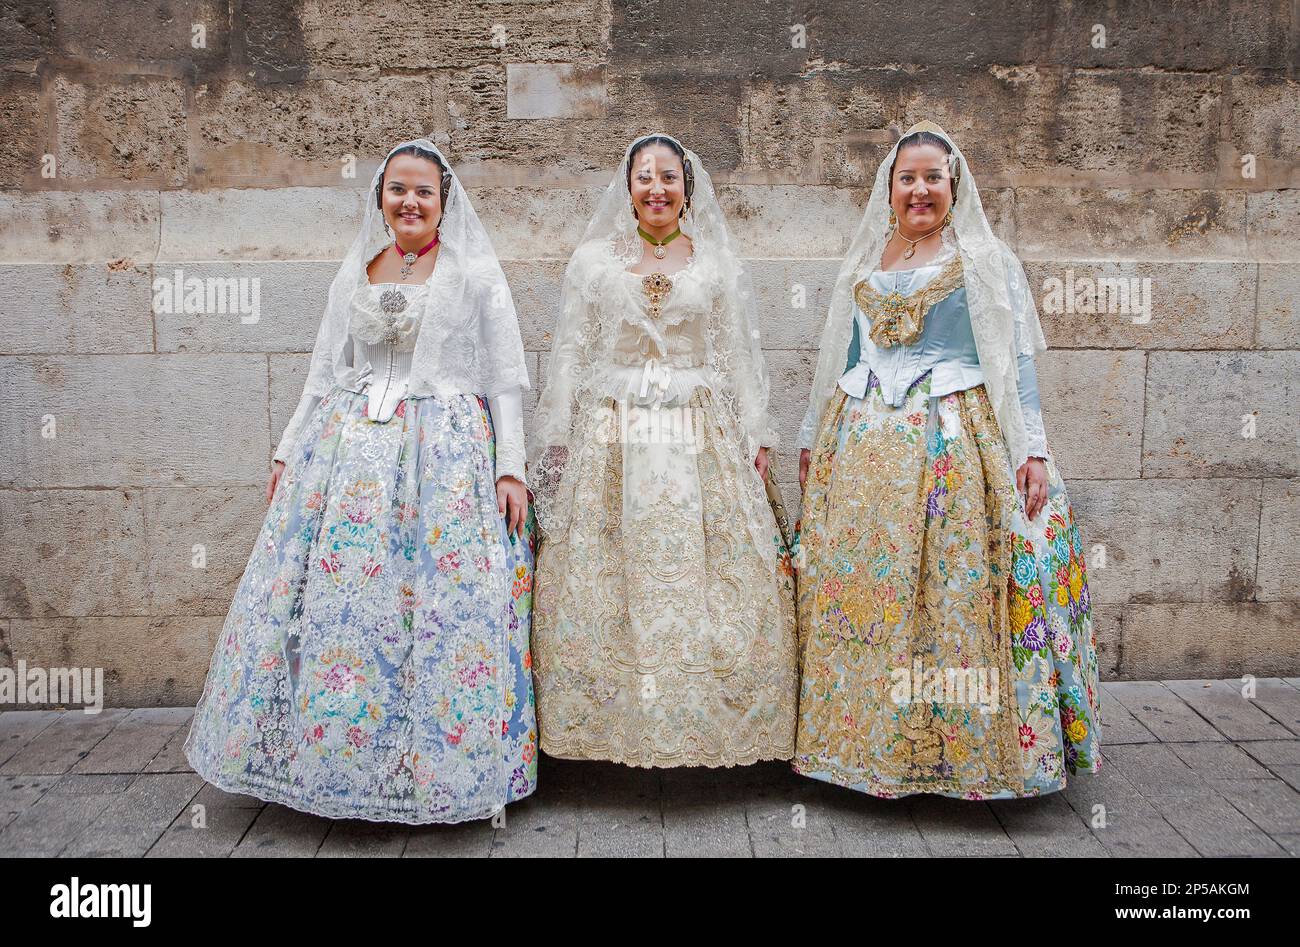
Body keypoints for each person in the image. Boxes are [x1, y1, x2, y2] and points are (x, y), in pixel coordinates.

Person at [184, 138, 538, 823]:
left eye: (424, 191)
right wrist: (288, 452)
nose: (410, 201)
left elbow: (504, 377)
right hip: (349, 462)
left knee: (432, 607)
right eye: (398, 189)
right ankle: (343, 757)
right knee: (348, 608)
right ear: (380, 196)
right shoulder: (356, 270)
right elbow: (322, 372)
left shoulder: (474, 275)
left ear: (444, 201)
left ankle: (437, 766)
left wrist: (511, 466)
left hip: (443, 454)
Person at [792, 121, 1101, 799]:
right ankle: (862, 746)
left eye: (934, 177)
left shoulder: (987, 262)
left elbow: (1015, 366)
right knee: (872, 596)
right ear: (891, 187)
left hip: (957, 448)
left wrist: (1035, 451)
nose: (920, 189)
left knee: (955, 593)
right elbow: (840, 358)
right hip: (865, 451)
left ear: (953, 185)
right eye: (908, 178)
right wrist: (813, 435)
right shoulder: (866, 261)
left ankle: (962, 757)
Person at [528, 133, 798, 768]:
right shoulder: (595, 262)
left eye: (669, 177)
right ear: (628, 188)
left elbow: (737, 352)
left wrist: (757, 432)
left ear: (687, 187)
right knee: (605, 567)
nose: (657, 188)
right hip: (612, 433)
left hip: (698, 426)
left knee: (712, 571)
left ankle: (713, 724)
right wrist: (560, 437)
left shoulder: (715, 263)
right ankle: (605, 727)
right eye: (644, 177)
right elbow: (571, 351)